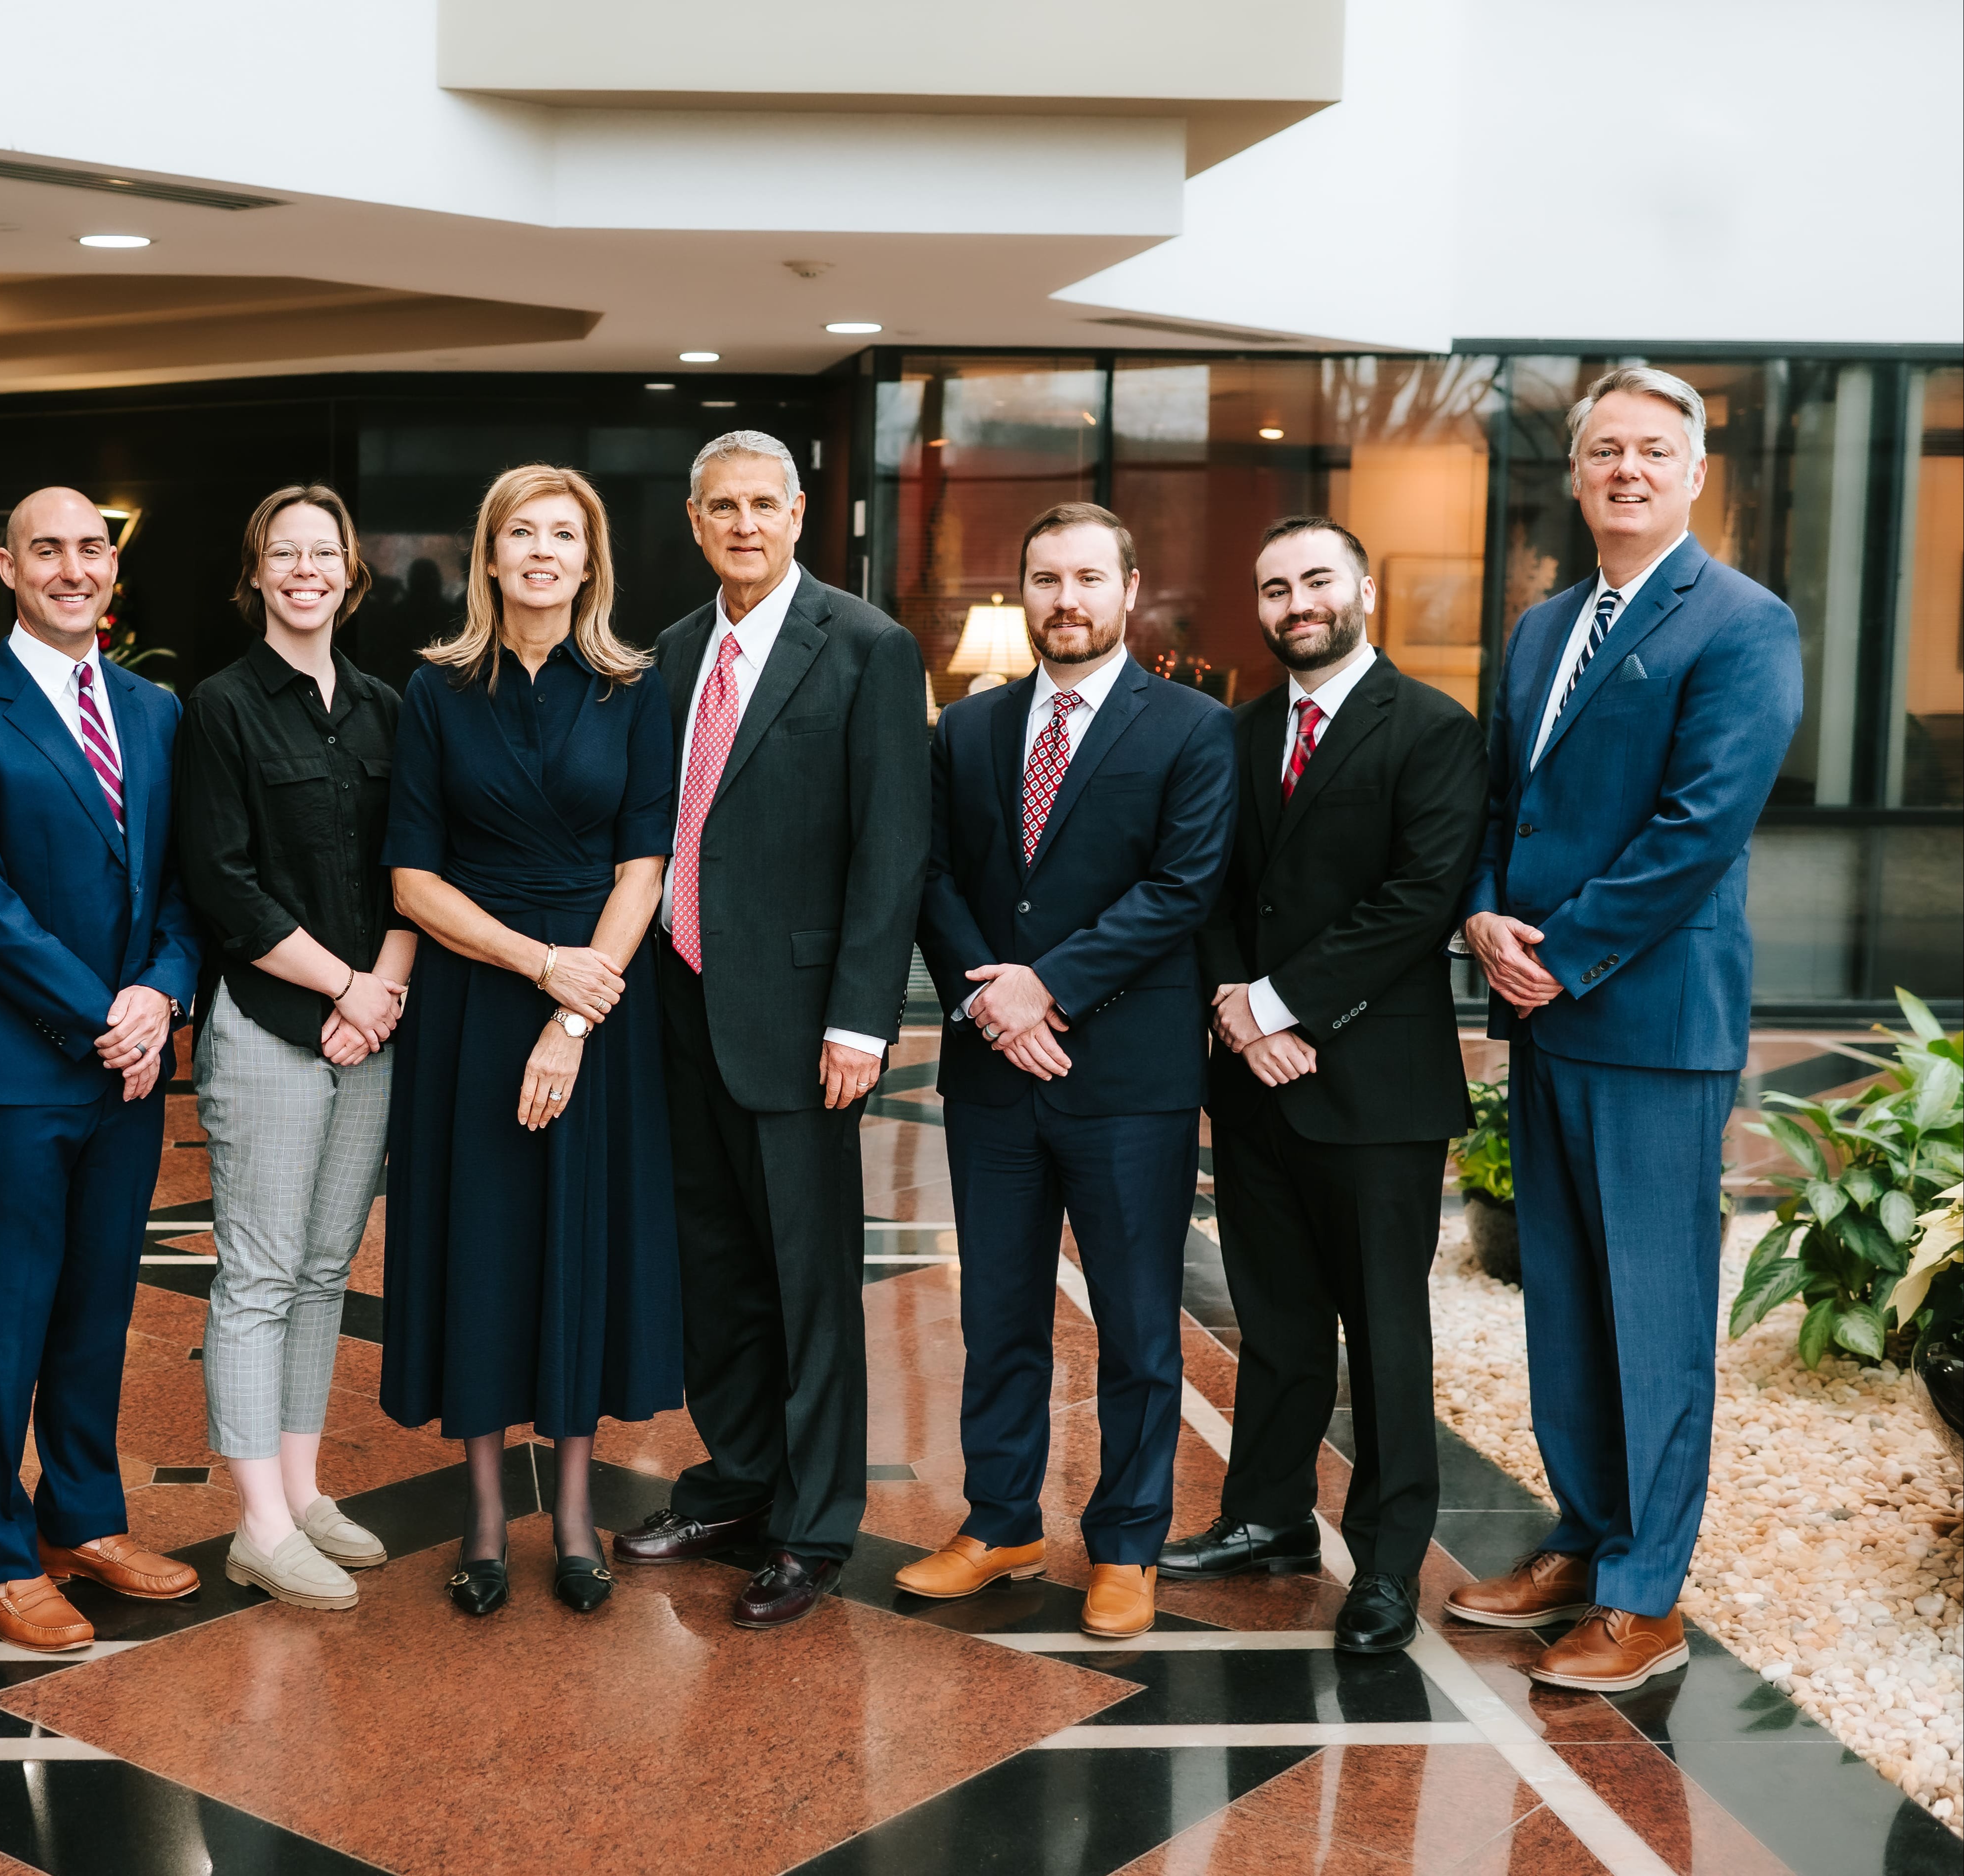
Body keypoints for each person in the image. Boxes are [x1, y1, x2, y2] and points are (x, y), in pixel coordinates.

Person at [1449, 368, 1801, 1690]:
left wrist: (1562, 954)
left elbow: (1698, 827)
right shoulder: (1543, 628)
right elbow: (1504, 804)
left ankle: (1645, 1599)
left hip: (1650, 1023)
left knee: (1653, 1318)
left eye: (1654, 450)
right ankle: (1587, 1539)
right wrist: (1484, 915)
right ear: (1577, 473)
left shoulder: (1743, 624)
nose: (1628, 470)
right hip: (1545, 1015)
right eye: (1605, 450)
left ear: (1695, 474)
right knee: (1563, 1305)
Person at [607, 431, 927, 1632]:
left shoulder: (867, 646)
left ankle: (814, 1526)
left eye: (764, 504)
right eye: (723, 507)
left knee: (808, 1282)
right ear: (695, 522)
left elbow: (892, 845)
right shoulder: (672, 652)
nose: (744, 524)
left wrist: (861, 1017)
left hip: (801, 1023)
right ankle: (738, 1481)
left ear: (799, 514)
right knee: (717, 1271)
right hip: (680, 1004)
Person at [901, 501, 1234, 1640]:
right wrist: (989, 1004)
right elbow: (932, 877)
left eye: (1090, 577)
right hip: (995, 1075)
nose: (1067, 599)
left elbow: (1181, 888)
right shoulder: (967, 728)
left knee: (1138, 1327)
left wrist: (1045, 987)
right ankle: (1000, 1523)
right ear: (1024, 591)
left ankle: (1127, 1545)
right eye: (1046, 578)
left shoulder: (1193, 728)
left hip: (1128, 1078)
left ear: (1129, 589)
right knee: (998, 1316)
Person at [1164, 516, 1488, 1654]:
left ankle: (1388, 1565)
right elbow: (1206, 887)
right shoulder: (1238, 731)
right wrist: (1233, 1009)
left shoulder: (1435, 729)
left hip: (1376, 1087)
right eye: (1274, 587)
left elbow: (1418, 899)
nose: (1296, 601)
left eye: (1315, 580)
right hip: (1255, 1080)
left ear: (1362, 591)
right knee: (1277, 1318)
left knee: (1386, 1334)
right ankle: (1267, 1518)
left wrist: (1277, 1005)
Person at [0, 485, 205, 1651]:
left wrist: (161, 993)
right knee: (5, 1319)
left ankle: (82, 1519)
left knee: (97, 1309)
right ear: (10, 569)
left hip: (128, 1069)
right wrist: (105, 1018)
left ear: (112, 571)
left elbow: (180, 880)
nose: (73, 568)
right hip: (20, 1071)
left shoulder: (156, 710)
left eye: (92, 548)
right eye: (49, 550)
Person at [381, 463, 681, 1619]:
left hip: (599, 1001)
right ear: (491, 556)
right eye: (522, 532)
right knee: (484, 1244)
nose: (544, 551)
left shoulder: (633, 690)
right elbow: (413, 881)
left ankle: (574, 1515)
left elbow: (643, 869)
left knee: (579, 1242)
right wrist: (536, 965)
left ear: (589, 560)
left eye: (565, 533)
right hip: (473, 999)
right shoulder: (435, 692)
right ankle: (482, 1517)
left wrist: (573, 1010)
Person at [176, 484, 414, 1612]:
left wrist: (383, 994)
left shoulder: (386, 707)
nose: (307, 570)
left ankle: (303, 1491)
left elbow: (416, 866)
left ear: (351, 574)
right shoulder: (220, 707)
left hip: (372, 1028)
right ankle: (258, 1524)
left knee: (325, 1272)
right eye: (286, 553)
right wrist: (344, 987)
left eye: (326, 553)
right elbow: (222, 883)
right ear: (258, 574)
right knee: (261, 1276)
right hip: (272, 1024)